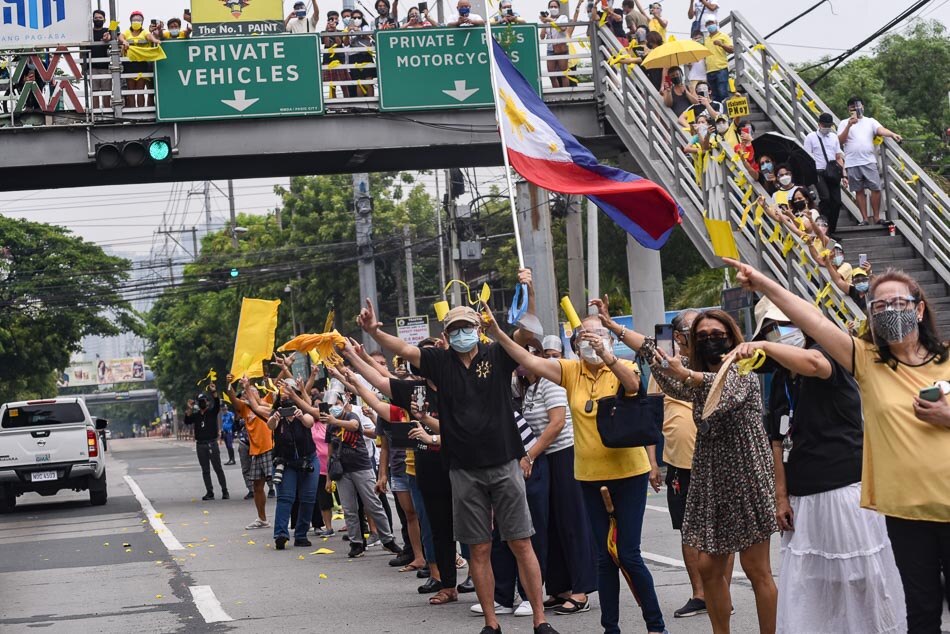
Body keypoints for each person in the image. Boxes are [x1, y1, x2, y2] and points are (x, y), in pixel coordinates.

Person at [725, 257, 950, 634]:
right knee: (922, 611)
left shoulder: (946, 358)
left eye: (899, 303)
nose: (890, 311)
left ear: (919, 308)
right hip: (907, 514)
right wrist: (763, 282)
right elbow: (812, 319)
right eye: (879, 306)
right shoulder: (867, 361)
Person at [357, 299, 557, 634]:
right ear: (446, 335)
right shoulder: (439, 361)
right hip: (463, 470)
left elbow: (527, 337)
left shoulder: (496, 353)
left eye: (468, 327)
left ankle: (540, 619)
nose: (462, 333)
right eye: (455, 329)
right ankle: (491, 623)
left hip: (505, 463)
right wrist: (374, 331)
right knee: (478, 547)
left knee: (521, 542)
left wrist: (498, 327)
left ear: (477, 329)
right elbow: (404, 349)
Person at [487, 273, 667, 634]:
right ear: (573, 342)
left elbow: (634, 386)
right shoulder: (570, 371)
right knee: (603, 557)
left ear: (609, 339)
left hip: (627, 473)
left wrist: (608, 354)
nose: (591, 340)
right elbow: (528, 358)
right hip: (587, 475)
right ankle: (610, 627)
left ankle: (655, 625)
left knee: (627, 553)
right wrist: (497, 332)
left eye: (597, 334)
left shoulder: (624, 366)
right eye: (584, 335)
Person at [734, 327, 907, 633]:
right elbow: (777, 441)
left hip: (845, 494)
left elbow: (814, 364)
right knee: (811, 586)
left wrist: (764, 346)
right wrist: (781, 497)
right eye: (769, 331)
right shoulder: (781, 379)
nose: (777, 336)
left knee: (860, 579)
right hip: (803, 499)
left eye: (782, 327)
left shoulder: (830, 356)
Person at [647, 309, 778, 634]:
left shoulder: (742, 367)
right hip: (712, 478)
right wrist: (619, 337)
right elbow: (669, 379)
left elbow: (720, 389)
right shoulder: (692, 373)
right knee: (708, 566)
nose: (709, 341)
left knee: (756, 568)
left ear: (731, 336)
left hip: (747, 477)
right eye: (701, 336)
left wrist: (685, 374)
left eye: (715, 334)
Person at [518, 338, 597, 617]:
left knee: (573, 521)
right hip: (546, 458)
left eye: (521, 355)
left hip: (564, 454)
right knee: (552, 524)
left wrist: (530, 456)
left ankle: (581, 589)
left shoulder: (550, 382)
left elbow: (557, 423)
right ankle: (561, 587)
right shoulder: (529, 387)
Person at [322, 391, 401, 559]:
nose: (334, 408)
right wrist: (329, 477)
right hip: (342, 471)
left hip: (361, 467)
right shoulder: (330, 426)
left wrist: (335, 420)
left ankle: (387, 539)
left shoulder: (351, 416)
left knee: (373, 504)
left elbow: (354, 426)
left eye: (337, 404)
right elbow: (329, 453)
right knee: (349, 509)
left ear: (343, 404)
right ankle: (356, 543)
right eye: (331, 406)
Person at [263, 380, 318, 550]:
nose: (286, 395)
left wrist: (300, 416)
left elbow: (310, 422)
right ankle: (281, 534)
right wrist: (276, 418)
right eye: (282, 392)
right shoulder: (276, 413)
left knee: (308, 499)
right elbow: (269, 425)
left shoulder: (303, 411)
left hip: (308, 459)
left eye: (289, 391)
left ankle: (301, 535)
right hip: (285, 462)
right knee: (286, 498)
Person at [837, 97, 902, 226]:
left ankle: (877, 217)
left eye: (858, 107)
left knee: (875, 188)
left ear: (863, 107)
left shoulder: (870, 121)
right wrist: (850, 125)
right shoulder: (844, 123)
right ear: (849, 110)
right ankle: (865, 219)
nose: (856, 109)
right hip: (852, 161)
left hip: (868, 160)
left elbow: (880, 130)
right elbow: (840, 141)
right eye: (853, 108)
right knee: (859, 191)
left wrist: (892, 134)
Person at [232, 375, 276, 527]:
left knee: (280, 484)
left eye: (252, 391)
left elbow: (275, 385)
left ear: (258, 393)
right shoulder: (245, 408)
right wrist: (228, 384)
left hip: (270, 448)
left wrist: (283, 370)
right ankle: (262, 519)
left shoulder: (267, 402)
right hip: (255, 451)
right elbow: (233, 399)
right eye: (246, 392)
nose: (248, 393)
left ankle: (293, 516)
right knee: (257, 486)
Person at [184, 385, 229, 501]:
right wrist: (189, 407)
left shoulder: (212, 412)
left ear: (207, 402)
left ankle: (225, 491)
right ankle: (210, 492)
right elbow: (187, 421)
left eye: (203, 401)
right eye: (200, 402)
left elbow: (217, 403)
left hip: (212, 444)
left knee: (218, 468)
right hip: (200, 445)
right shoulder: (196, 415)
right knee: (205, 470)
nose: (202, 403)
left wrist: (214, 391)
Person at [805, 113, 846, 234]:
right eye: (825, 125)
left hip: (833, 172)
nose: (827, 127)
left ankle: (831, 230)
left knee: (837, 202)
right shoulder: (811, 137)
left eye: (829, 125)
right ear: (819, 124)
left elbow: (838, 157)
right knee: (826, 199)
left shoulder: (833, 137)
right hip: (819, 172)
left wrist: (844, 174)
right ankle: (822, 229)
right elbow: (806, 156)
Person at [118, 11, 160, 109]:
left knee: (140, 90)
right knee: (131, 91)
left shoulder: (144, 32)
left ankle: (141, 110)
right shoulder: (127, 32)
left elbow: (149, 36)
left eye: (139, 20)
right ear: (130, 21)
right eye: (134, 19)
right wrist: (124, 41)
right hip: (129, 64)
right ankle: (133, 111)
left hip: (142, 64)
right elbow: (121, 36)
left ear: (142, 21)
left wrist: (155, 40)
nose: (136, 21)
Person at [540, 0, 573, 89]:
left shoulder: (563, 17)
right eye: (551, 7)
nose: (553, 9)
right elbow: (542, 37)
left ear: (559, 8)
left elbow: (563, 28)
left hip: (561, 48)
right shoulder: (547, 20)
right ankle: (557, 92)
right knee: (551, 75)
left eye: (555, 7)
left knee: (563, 74)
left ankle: (566, 94)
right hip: (550, 49)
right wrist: (545, 23)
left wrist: (550, 20)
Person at [345, 10, 376, 98]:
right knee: (359, 82)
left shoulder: (365, 27)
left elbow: (369, 37)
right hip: (353, 56)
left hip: (365, 55)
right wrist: (348, 32)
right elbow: (346, 43)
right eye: (354, 18)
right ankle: (362, 106)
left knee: (369, 81)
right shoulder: (348, 28)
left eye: (359, 17)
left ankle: (371, 103)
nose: (356, 19)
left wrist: (358, 30)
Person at [322, 11, 351, 100]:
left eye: (335, 18)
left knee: (344, 86)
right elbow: (326, 43)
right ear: (328, 20)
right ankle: (333, 105)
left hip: (340, 60)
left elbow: (339, 42)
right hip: (328, 61)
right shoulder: (323, 32)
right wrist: (327, 31)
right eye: (331, 19)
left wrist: (334, 31)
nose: (333, 21)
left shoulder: (341, 31)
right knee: (332, 86)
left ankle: (348, 105)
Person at [703, 18, 732, 104]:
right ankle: (718, 115)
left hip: (721, 68)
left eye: (711, 23)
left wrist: (721, 44)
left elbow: (732, 49)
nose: (710, 25)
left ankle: (727, 115)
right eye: (708, 24)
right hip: (709, 70)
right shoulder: (706, 39)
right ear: (705, 26)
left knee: (723, 93)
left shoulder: (723, 36)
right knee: (714, 96)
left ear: (716, 23)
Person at [89, 10, 112, 111]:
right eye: (96, 18)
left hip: (105, 67)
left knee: (107, 92)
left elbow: (117, 34)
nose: (98, 20)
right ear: (93, 19)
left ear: (104, 19)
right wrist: (82, 67)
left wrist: (108, 37)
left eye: (100, 18)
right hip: (91, 67)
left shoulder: (107, 30)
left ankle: (107, 112)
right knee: (94, 92)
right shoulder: (88, 32)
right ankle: (96, 112)